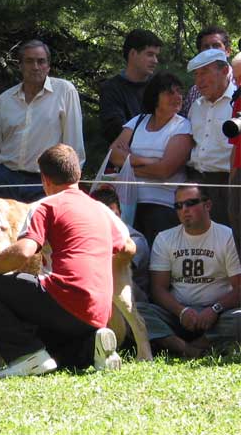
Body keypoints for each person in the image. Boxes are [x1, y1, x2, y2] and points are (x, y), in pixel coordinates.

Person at [0, 144, 134, 377]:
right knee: (54, 353)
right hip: (99, 312)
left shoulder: (45, 206)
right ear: (78, 174)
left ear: (44, 178)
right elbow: (129, 247)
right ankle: (92, 345)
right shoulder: (101, 209)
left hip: (66, 297)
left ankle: (25, 356)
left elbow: (23, 252)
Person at [137, 185, 241, 357]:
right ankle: (189, 349)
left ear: (207, 205)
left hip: (218, 315)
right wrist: (182, 311)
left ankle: (186, 345)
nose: (184, 210)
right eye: (178, 206)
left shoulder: (227, 237)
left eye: (190, 203)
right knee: (138, 311)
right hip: (178, 315)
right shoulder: (165, 238)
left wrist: (214, 309)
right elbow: (158, 289)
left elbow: (238, 289)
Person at [0, 40, 85, 202]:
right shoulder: (6, 99)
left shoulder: (65, 91)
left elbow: (73, 143)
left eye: (41, 61)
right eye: (29, 61)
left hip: (46, 181)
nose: (35, 66)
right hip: (5, 179)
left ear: (48, 66)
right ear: (20, 65)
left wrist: (68, 181)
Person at [109, 71, 193, 246]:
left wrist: (128, 163)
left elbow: (164, 171)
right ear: (155, 97)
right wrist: (147, 161)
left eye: (179, 92)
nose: (177, 97)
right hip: (126, 204)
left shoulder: (182, 126)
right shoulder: (138, 121)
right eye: (170, 92)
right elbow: (114, 154)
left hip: (162, 208)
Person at [186, 48, 235, 227]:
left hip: (227, 184)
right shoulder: (196, 106)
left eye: (204, 72)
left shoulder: (237, 103)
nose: (199, 81)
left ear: (224, 71)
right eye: (196, 75)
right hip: (195, 182)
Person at [99, 29, 163, 144]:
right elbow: (116, 131)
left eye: (156, 56)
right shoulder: (111, 89)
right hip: (125, 157)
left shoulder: (161, 86)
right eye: (150, 54)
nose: (155, 61)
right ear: (133, 54)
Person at [90, 187, 150, 302]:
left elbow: (115, 271)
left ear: (120, 214)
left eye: (114, 215)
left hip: (137, 304)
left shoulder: (136, 240)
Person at [180, 26, 233, 117]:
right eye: (206, 47)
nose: (210, 50)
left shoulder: (238, 82)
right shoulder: (195, 91)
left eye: (216, 45)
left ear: (228, 51)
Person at [228, 52, 241, 255]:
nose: (239, 83)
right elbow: (235, 145)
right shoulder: (238, 99)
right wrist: (232, 176)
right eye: (237, 79)